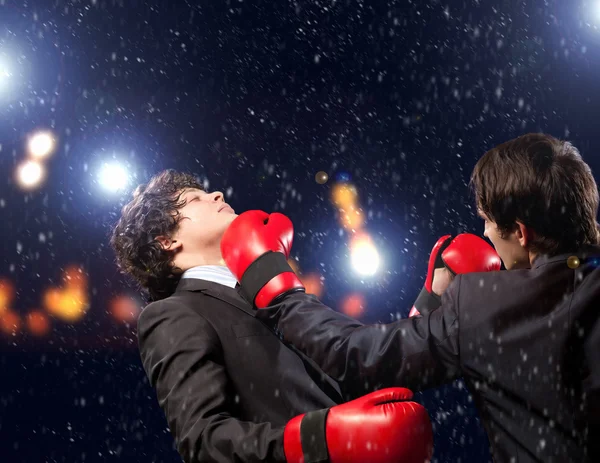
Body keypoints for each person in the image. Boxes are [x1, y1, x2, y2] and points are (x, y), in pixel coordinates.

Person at [220, 133, 600, 463]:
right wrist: (432, 308)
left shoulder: (485, 306)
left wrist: (273, 285)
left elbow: (354, 354)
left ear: (520, 232)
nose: (485, 234)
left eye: (486, 220)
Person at [109, 170, 434, 463]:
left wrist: (431, 304)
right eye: (195, 199)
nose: (217, 194)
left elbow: (353, 371)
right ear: (167, 241)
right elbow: (204, 441)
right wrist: (316, 439)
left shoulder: (269, 292)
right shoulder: (171, 313)